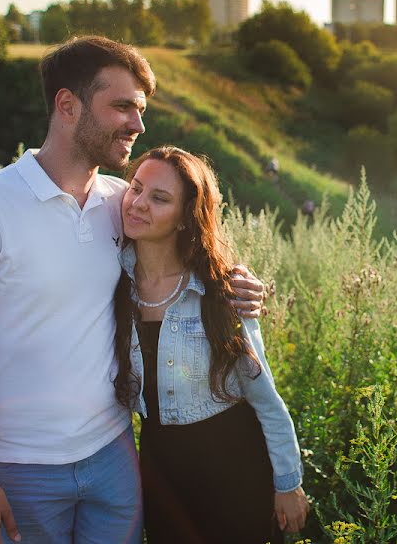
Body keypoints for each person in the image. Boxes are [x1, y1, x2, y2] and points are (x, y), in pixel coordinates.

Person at [0, 36, 266, 543]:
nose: (138, 124)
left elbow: (189, 260)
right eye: (123, 106)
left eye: (141, 109)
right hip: (21, 468)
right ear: (68, 105)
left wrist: (241, 285)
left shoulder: (121, 204)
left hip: (113, 458)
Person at [114, 146, 310, 543]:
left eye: (159, 198)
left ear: (186, 218)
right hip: (161, 473)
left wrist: (288, 484)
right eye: (135, 188)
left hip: (233, 469)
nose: (137, 204)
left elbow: (265, 398)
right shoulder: (111, 280)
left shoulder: (221, 292)